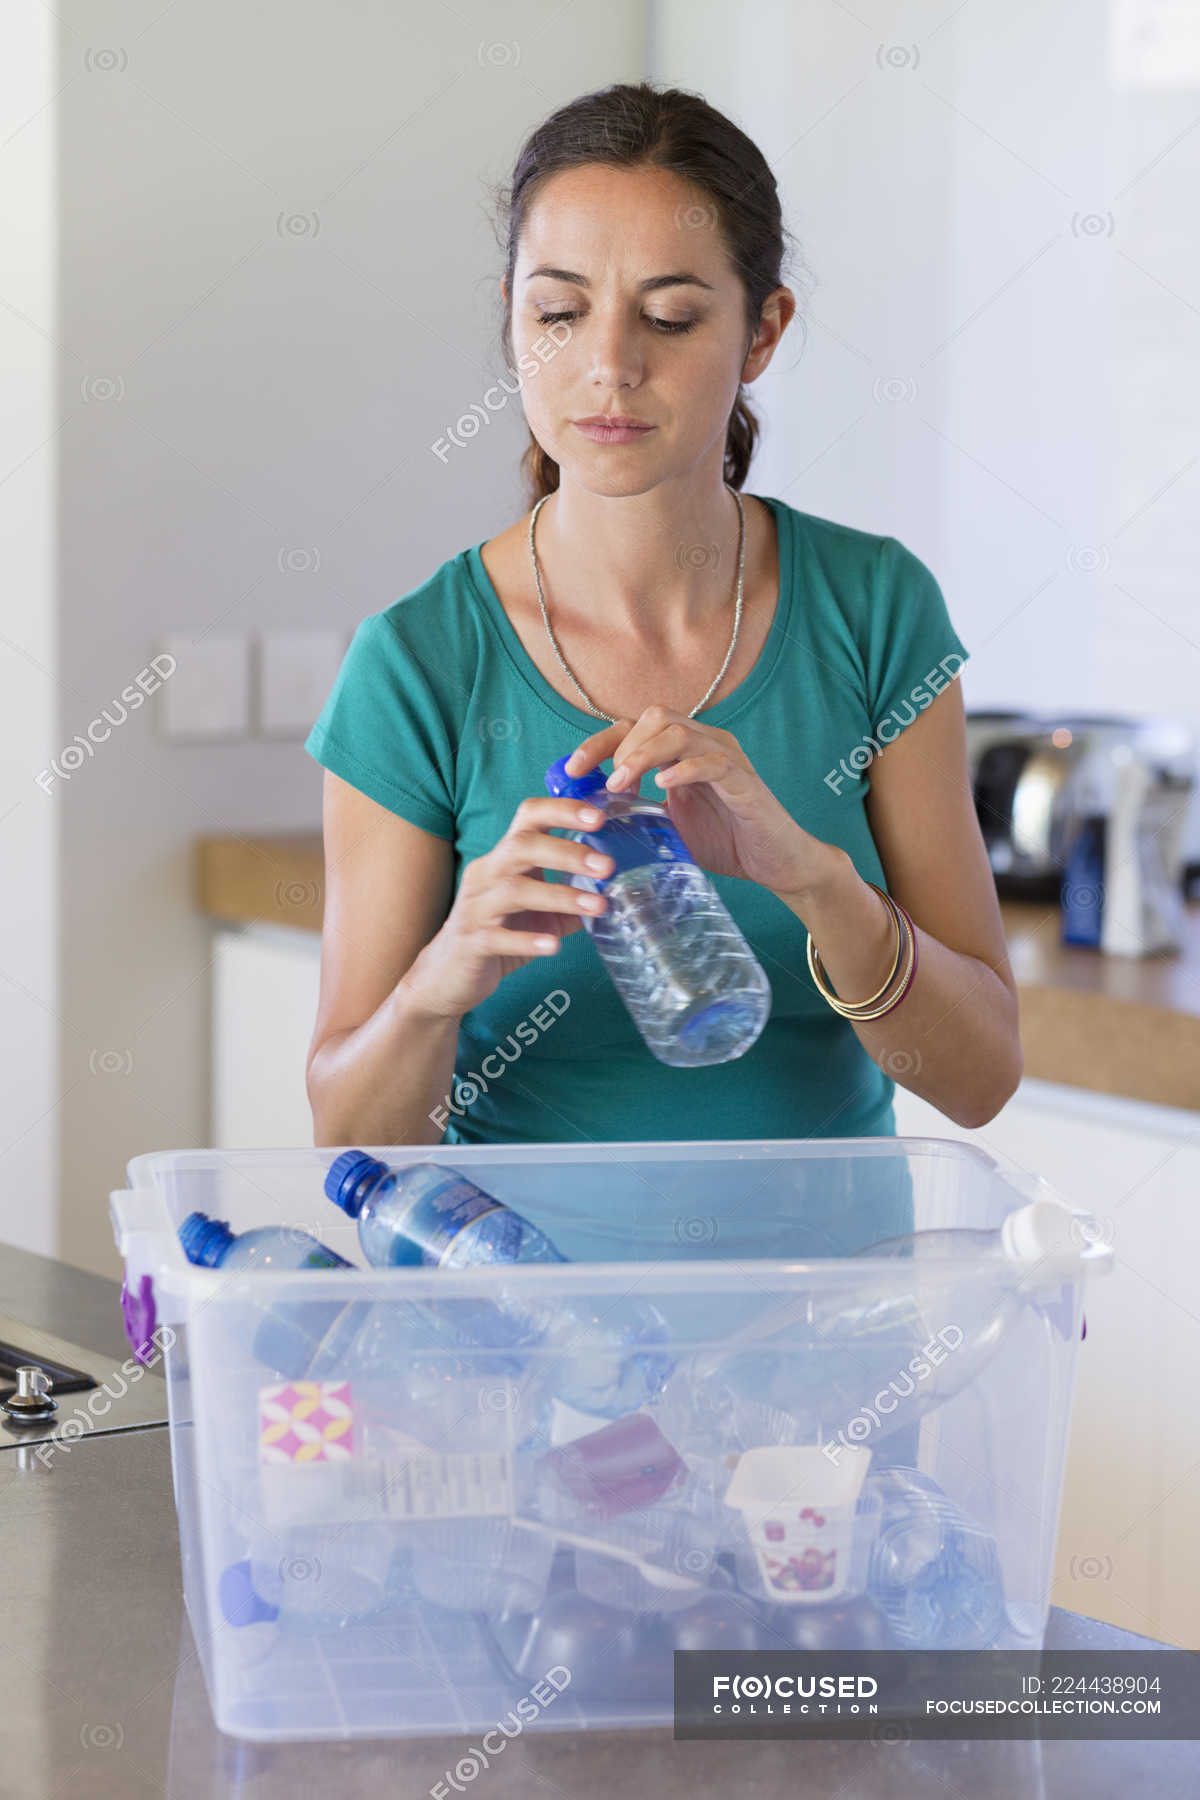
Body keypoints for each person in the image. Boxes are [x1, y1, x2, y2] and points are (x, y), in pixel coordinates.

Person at [303, 81, 1022, 1159]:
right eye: (559, 312)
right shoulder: (417, 661)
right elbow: (349, 1144)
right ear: (513, 319)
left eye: (670, 316)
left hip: (823, 1302)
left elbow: (977, 1082)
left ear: (764, 329)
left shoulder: (874, 611)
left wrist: (818, 880)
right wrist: (437, 985)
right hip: (520, 1311)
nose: (609, 366)